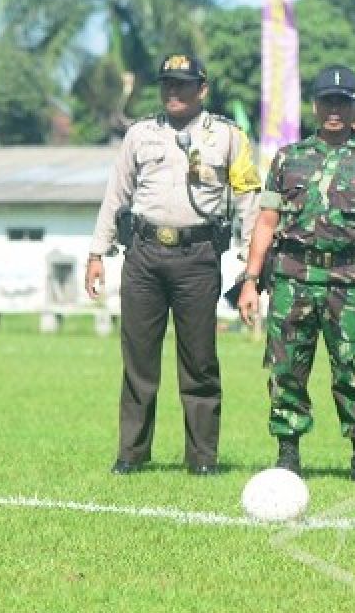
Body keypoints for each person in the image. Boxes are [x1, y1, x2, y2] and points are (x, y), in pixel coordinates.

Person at [85, 53, 261, 476]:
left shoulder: (229, 137)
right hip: (143, 255)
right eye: (167, 83)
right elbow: (116, 194)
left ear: (202, 89)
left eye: (183, 84)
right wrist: (97, 253)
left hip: (198, 256)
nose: (173, 92)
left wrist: (250, 267)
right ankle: (131, 453)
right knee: (138, 361)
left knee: (199, 361)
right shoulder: (140, 134)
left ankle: (202, 458)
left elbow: (248, 200)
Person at [238, 65, 355, 482]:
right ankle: (288, 453)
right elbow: (266, 221)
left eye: (343, 102)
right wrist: (250, 280)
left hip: (348, 280)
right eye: (327, 101)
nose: (334, 110)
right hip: (292, 278)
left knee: (353, 367)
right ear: (314, 105)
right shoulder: (289, 158)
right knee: (286, 369)